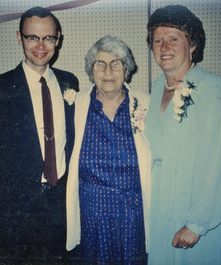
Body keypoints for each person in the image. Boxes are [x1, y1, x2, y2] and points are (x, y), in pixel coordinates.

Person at [0, 6, 78, 262]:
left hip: (59, 204)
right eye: (32, 37)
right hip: (14, 211)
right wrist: (1, 182)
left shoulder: (69, 82)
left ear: (57, 39)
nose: (40, 45)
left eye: (48, 38)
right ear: (19, 37)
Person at [145, 4, 221, 265]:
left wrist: (197, 225)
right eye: (157, 40)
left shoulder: (213, 90)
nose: (164, 47)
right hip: (162, 207)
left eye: (173, 39)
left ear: (192, 45)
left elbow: (218, 163)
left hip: (200, 212)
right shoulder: (157, 87)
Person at [66, 35, 152, 265]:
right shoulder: (76, 106)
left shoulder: (146, 103)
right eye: (100, 64)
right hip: (92, 215)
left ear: (126, 70)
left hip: (132, 214)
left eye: (116, 63)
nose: (108, 70)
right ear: (91, 71)